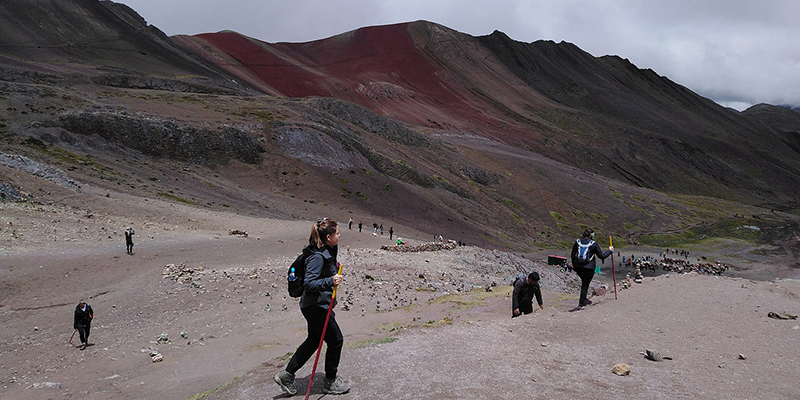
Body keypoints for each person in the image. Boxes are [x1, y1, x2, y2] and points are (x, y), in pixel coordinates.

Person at [275, 218, 350, 396]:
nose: (340, 236)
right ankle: (330, 382)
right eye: (337, 233)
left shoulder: (324, 250)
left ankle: (287, 375)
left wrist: (331, 270)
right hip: (316, 306)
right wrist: (330, 280)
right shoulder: (317, 256)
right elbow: (309, 283)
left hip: (315, 305)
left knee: (314, 340)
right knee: (336, 340)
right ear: (329, 236)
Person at [571, 228, 613, 309]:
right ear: (592, 235)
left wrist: (574, 266)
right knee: (585, 285)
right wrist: (610, 251)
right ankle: (581, 303)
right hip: (589, 267)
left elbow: (573, 254)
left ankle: (584, 299)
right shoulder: (594, 244)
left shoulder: (578, 242)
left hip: (579, 267)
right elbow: (602, 256)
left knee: (584, 283)